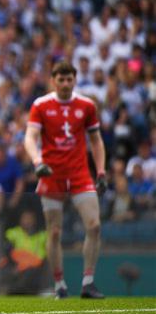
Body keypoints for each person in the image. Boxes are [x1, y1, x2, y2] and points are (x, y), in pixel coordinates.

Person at [24, 60, 107, 299]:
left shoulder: (86, 105)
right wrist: (37, 162)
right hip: (52, 175)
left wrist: (100, 171)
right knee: (55, 232)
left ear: (74, 80)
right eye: (61, 79)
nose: (65, 83)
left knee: (94, 225)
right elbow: (30, 137)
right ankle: (60, 285)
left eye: (69, 79)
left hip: (80, 174)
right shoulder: (40, 105)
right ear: (53, 80)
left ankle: (88, 283)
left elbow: (96, 140)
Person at [0, 210, 48, 295]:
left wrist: (25, 265)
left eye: (29, 219)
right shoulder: (13, 232)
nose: (27, 221)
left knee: (31, 272)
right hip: (15, 263)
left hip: (34, 266)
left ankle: (19, 290)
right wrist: (15, 265)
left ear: (34, 220)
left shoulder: (41, 235)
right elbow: (7, 250)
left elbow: (42, 256)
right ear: (20, 220)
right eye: (25, 218)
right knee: (4, 265)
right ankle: (8, 290)